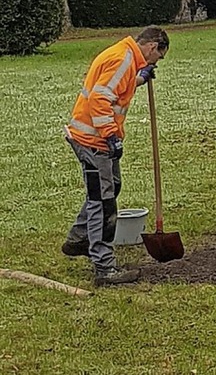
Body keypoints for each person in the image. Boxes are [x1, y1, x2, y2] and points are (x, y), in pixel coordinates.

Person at [62, 25, 169, 286]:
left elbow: (117, 86)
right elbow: (100, 98)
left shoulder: (126, 57)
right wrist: (110, 135)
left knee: (111, 186)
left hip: (93, 138)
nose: (157, 61)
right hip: (94, 141)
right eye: (159, 56)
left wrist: (141, 77)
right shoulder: (123, 59)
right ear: (153, 46)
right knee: (103, 201)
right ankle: (104, 267)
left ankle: (78, 239)